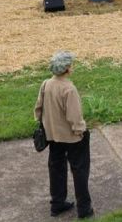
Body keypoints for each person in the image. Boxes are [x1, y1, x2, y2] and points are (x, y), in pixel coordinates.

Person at [35, 51, 93, 219]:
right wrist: (81, 131)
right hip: (72, 137)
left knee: (56, 168)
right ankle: (84, 208)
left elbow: (38, 109)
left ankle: (57, 204)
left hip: (52, 136)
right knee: (80, 170)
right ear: (67, 68)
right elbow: (74, 117)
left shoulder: (46, 84)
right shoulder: (69, 89)